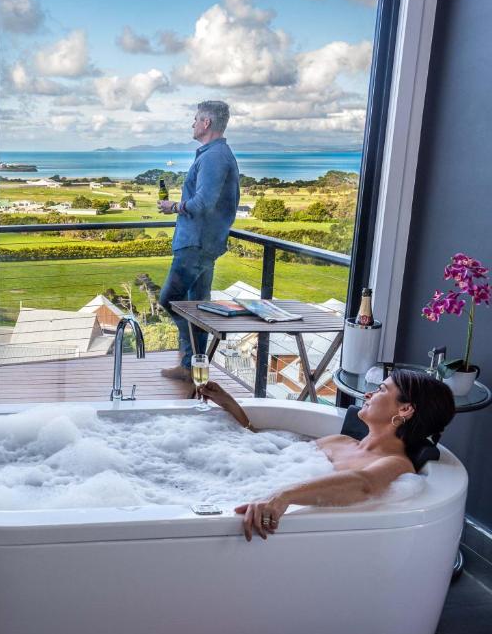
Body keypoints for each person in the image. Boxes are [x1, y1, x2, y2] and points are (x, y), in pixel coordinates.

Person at [197, 370, 456, 542]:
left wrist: (281, 496)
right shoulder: (339, 441)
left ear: (406, 409)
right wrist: (230, 404)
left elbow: (363, 484)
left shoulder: (396, 463)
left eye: (380, 389)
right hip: (240, 490)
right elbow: (266, 444)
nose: (368, 394)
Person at [158, 101, 241, 382]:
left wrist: (174, 207)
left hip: (195, 245)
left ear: (206, 123)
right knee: (196, 304)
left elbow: (203, 202)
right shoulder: (216, 153)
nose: (192, 124)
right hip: (205, 243)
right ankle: (193, 366)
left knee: (170, 299)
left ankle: (189, 360)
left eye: (195, 120)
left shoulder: (214, 156)